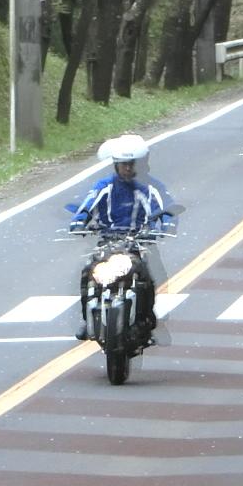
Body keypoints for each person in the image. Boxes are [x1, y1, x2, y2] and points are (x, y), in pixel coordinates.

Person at [69, 135, 172, 340]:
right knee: (88, 272)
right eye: (122, 165)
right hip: (108, 241)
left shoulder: (149, 188)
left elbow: (162, 208)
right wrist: (79, 221)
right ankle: (86, 320)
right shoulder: (104, 186)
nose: (127, 169)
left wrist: (163, 225)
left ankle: (145, 317)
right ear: (116, 165)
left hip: (137, 241)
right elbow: (87, 204)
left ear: (140, 164)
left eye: (131, 164)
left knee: (147, 277)